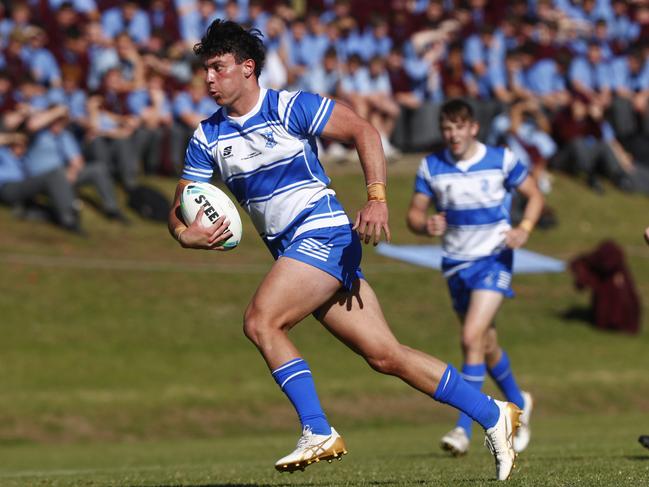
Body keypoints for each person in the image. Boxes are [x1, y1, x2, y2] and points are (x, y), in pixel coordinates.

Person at [167, 20, 521, 481]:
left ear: (247, 68)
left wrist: (376, 197)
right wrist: (182, 233)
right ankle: (494, 413)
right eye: (205, 70)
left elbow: (364, 130)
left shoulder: (289, 107)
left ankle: (317, 429)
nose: (209, 79)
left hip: (324, 233)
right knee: (385, 355)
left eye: (218, 68)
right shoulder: (207, 137)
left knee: (261, 321)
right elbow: (180, 204)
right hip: (297, 251)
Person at [406, 99, 544, 457]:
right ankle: (517, 400)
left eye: (459, 127)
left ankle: (463, 428)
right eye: (446, 128)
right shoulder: (431, 166)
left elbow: (535, 196)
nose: (452, 135)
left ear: (473, 128)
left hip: (494, 259)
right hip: (456, 265)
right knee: (485, 343)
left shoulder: (501, 159)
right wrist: (426, 225)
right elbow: (414, 216)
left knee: (470, 338)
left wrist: (524, 228)